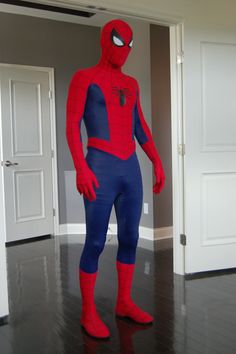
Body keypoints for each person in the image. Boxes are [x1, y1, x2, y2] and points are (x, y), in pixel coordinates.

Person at [66, 18, 165, 340]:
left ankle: (124, 302)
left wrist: (157, 161)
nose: (125, 50)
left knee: (131, 237)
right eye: (119, 42)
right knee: (95, 241)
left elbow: (140, 127)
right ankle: (87, 312)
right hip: (99, 167)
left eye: (130, 44)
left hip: (130, 170)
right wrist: (81, 167)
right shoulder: (84, 77)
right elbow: (71, 125)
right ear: (104, 41)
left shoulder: (133, 84)